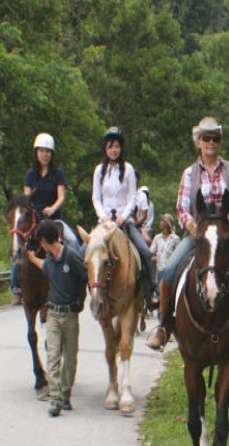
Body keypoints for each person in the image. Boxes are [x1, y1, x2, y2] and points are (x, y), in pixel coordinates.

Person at [147, 117, 229, 356]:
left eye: (215, 138)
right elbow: (181, 208)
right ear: (198, 142)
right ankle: (164, 327)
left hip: (227, 234)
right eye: (206, 138)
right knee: (169, 272)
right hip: (199, 235)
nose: (211, 143)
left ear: (220, 142)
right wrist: (191, 225)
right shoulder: (189, 173)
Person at [10, 133, 81, 306]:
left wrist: (52, 208)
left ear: (52, 154)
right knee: (19, 247)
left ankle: (77, 280)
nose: (44, 154)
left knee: (73, 243)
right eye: (41, 151)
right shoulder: (30, 175)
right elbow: (27, 198)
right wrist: (31, 211)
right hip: (34, 218)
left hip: (54, 219)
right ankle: (16, 287)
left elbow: (61, 196)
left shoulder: (58, 174)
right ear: (36, 153)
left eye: (48, 151)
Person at [26, 219, 87, 417]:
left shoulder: (72, 257)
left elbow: (85, 277)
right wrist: (30, 258)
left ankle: (66, 393)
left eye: (40, 242)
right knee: (52, 357)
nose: (40, 246)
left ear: (44, 240)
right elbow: (43, 265)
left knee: (70, 359)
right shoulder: (50, 260)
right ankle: (55, 399)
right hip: (52, 313)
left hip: (70, 315)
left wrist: (81, 299)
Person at [91, 127, 155, 310]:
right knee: (83, 252)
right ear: (105, 148)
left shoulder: (128, 170)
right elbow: (96, 197)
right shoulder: (98, 171)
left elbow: (132, 198)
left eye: (117, 147)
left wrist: (123, 217)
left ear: (121, 148)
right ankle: (83, 292)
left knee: (145, 252)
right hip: (104, 222)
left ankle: (151, 291)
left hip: (123, 221)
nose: (114, 150)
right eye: (111, 147)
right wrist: (103, 216)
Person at [149, 213, 180, 291]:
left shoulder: (175, 239)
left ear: (167, 224)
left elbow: (178, 256)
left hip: (171, 272)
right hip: (159, 271)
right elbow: (151, 253)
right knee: (158, 292)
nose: (160, 223)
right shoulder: (157, 238)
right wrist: (158, 257)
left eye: (162, 221)